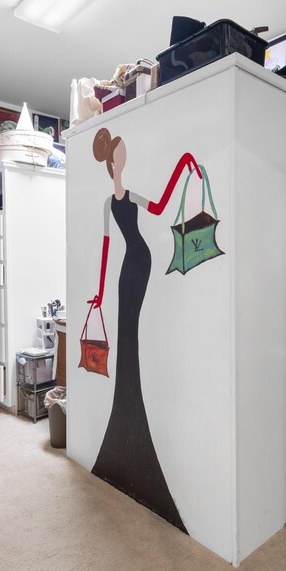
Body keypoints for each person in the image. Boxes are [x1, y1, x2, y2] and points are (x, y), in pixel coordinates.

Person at [88, 127, 202, 532]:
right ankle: (127, 411)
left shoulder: (131, 196)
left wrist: (181, 166)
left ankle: (130, 410)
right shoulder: (109, 202)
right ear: (113, 162)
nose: (125, 158)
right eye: (122, 153)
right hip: (125, 270)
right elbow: (105, 249)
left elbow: (159, 207)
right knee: (126, 336)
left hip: (142, 261)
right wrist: (99, 295)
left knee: (132, 335)